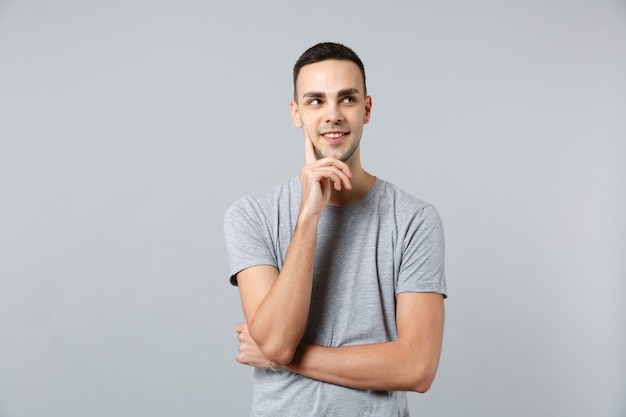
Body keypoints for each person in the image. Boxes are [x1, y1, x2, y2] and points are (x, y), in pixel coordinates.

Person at [223, 42, 447, 416]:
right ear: (296, 113)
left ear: (367, 109)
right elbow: (278, 341)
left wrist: (288, 358)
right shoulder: (251, 215)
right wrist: (309, 217)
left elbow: (417, 368)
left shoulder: (414, 219)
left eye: (347, 99)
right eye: (315, 101)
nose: (333, 115)